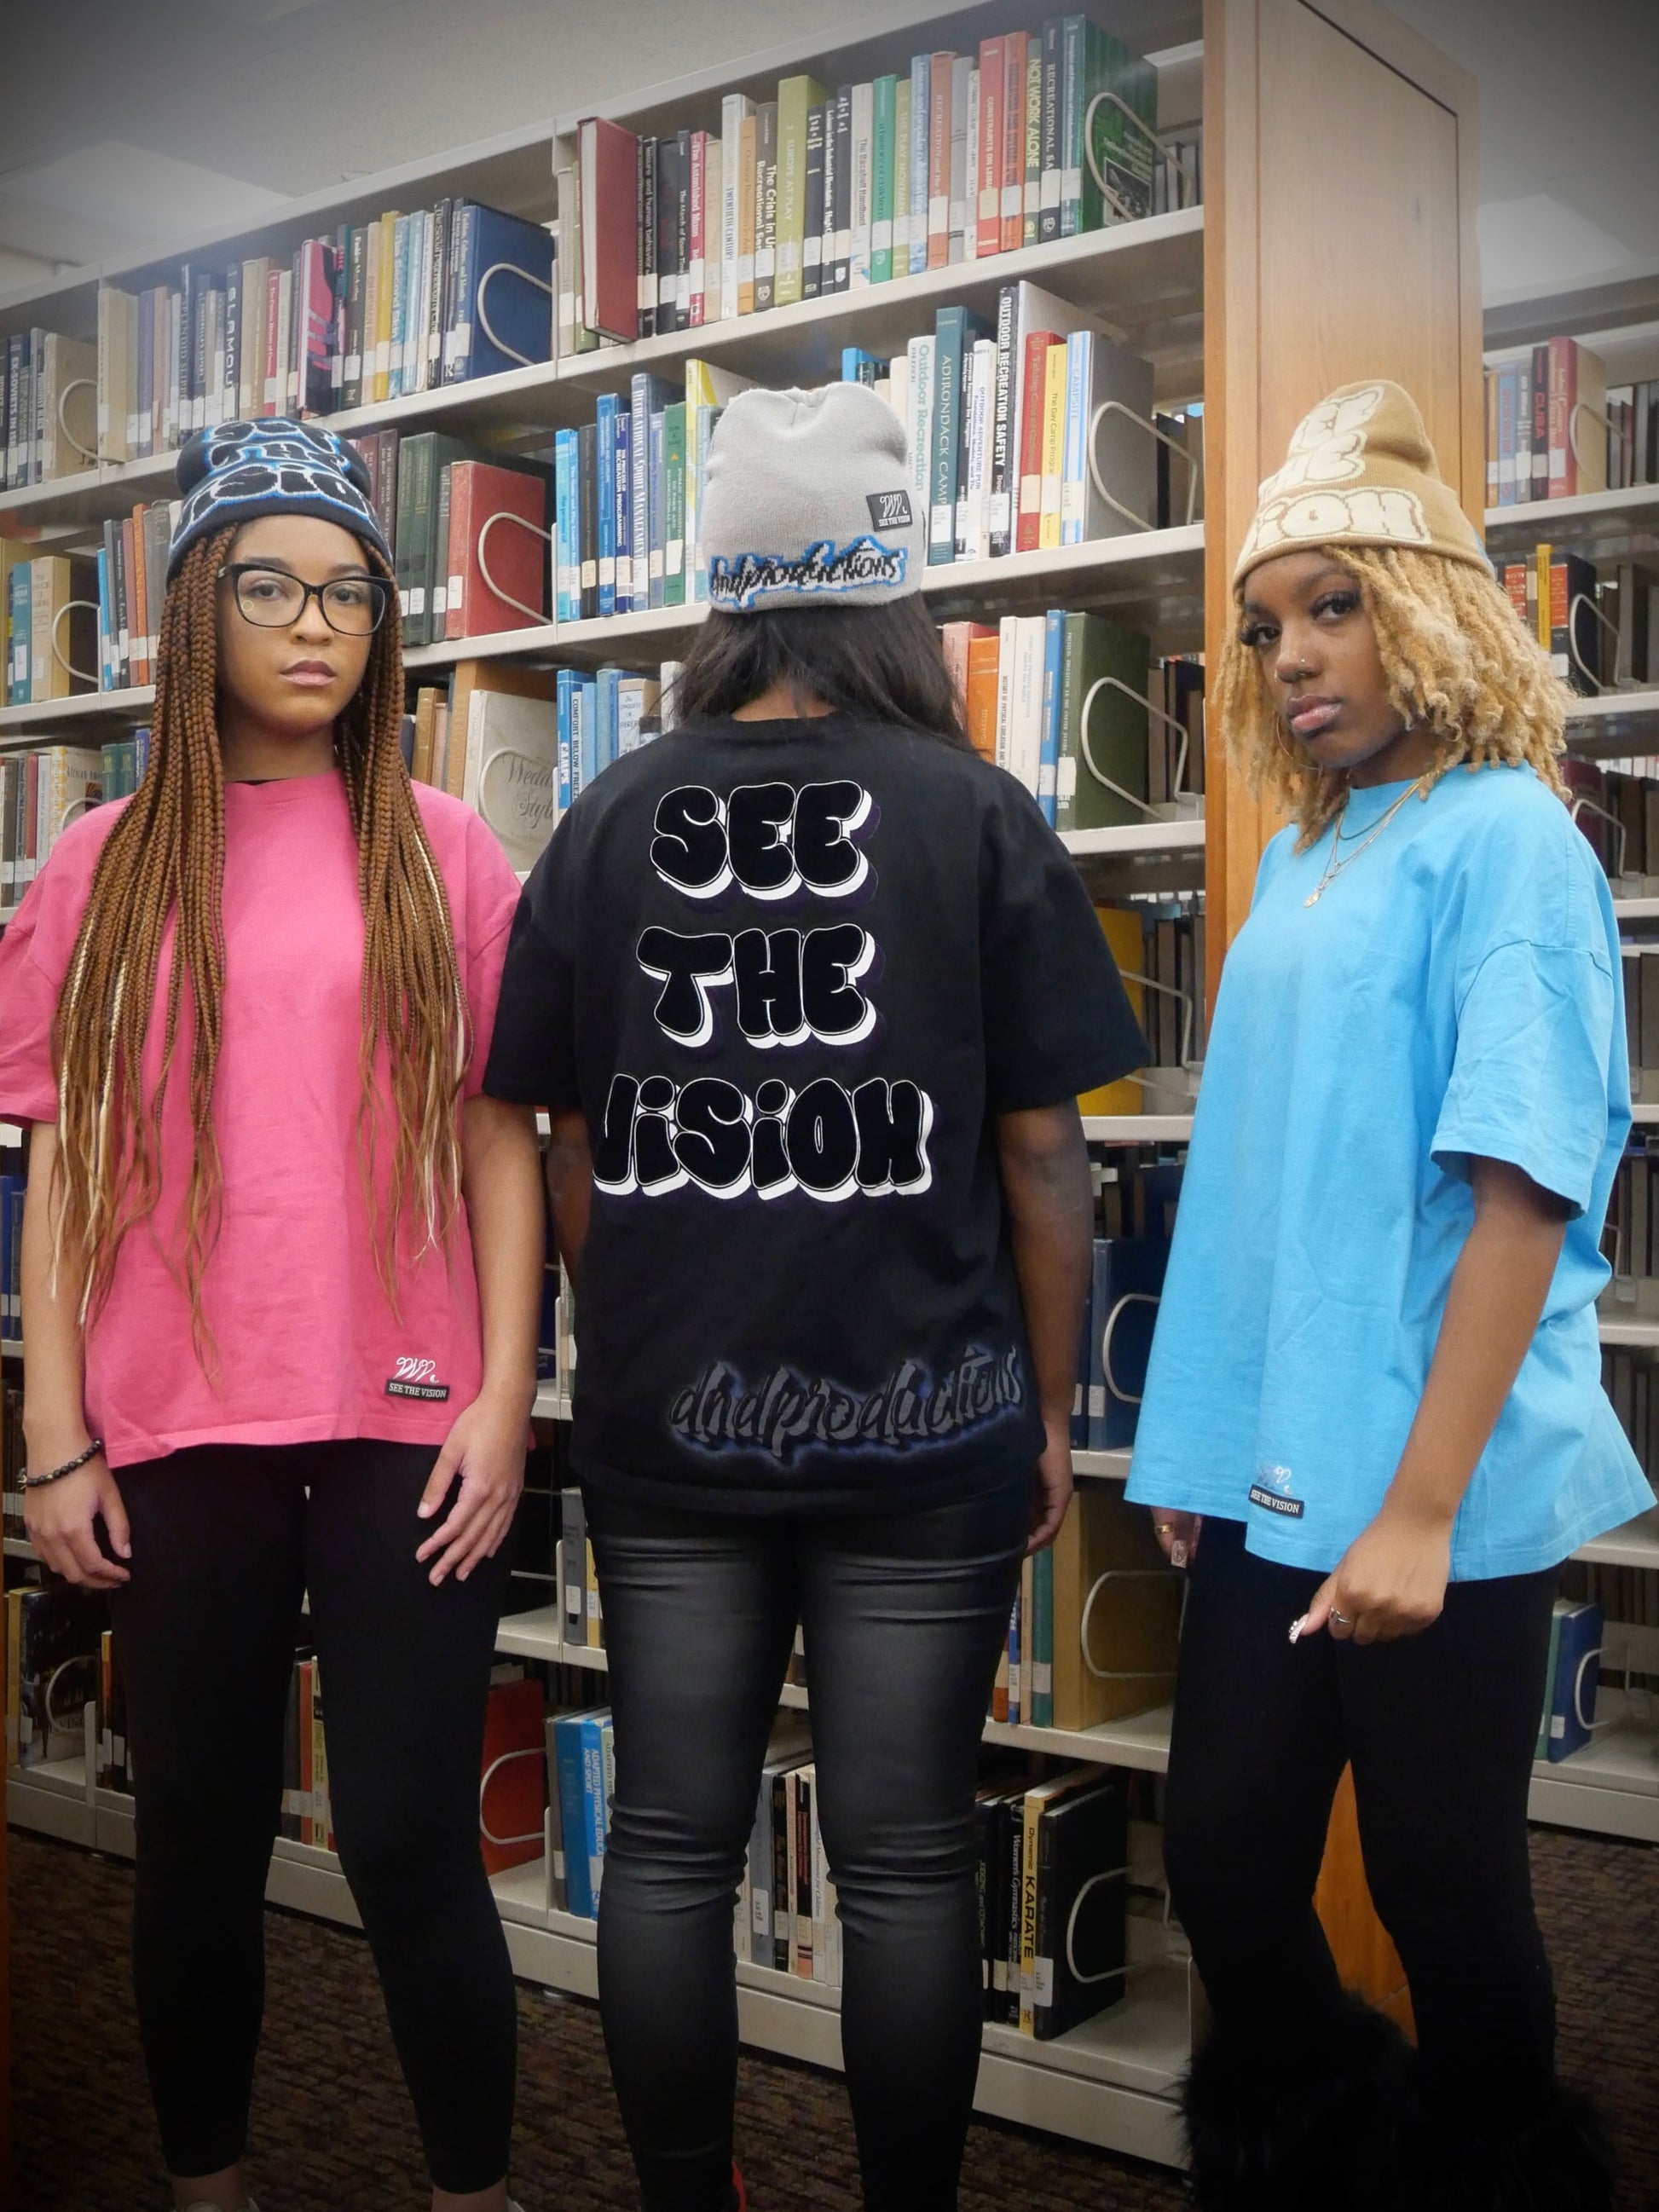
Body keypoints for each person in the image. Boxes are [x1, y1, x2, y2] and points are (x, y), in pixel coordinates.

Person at [482, 381, 1145, 2212]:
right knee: (912, 1858)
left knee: (670, 1843)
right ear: (891, 593)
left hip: (672, 1425)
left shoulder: (607, 816)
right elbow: (1041, 1159)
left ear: (724, 595)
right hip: (930, 1425)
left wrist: (642, 1315)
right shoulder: (977, 814)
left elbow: (561, 1139)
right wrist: (1043, 1402)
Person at [0, 421, 544, 2212]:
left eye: (351, 595)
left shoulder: (443, 849)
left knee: (406, 1837)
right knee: (196, 1837)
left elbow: (498, 1138)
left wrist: (503, 1392)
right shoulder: (100, 864)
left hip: (409, 1419)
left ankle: (474, 2195)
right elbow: (63, 1162)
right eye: (272, 587)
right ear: (193, 610)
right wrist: (54, 1430)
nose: (317, 626)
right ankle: (208, 2187)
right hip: (177, 1422)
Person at [1126, 381, 1647, 2210]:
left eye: (1335, 607)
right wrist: (1202, 1442)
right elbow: (1262, 1185)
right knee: (1223, 1861)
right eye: (1268, 625)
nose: (1292, 656)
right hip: (1276, 1465)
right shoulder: (1300, 850)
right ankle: (1322, 2155)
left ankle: (1498, 2177)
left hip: (1440, 1477)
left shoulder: (1510, 837)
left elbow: (1522, 1185)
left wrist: (1420, 1509)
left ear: (1427, 613)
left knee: (1442, 1887)